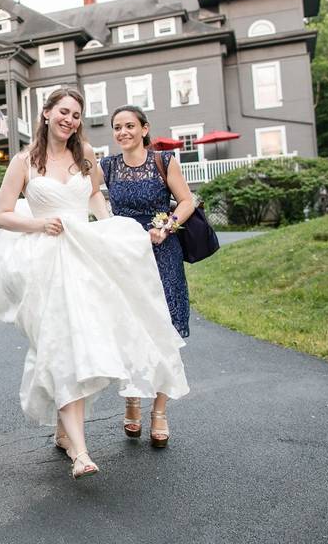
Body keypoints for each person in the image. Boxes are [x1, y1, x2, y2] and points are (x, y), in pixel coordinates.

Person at [0, 88, 188, 479]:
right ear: (46, 113)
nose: (70, 120)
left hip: (84, 258)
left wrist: (109, 228)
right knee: (60, 347)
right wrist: (37, 223)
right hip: (44, 262)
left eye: (76, 114)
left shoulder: (86, 156)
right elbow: (3, 215)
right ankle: (80, 451)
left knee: (89, 345)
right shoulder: (24, 162)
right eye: (64, 111)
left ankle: (66, 433)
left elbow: (95, 196)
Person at [100, 106, 195, 448]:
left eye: (129, 126)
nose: (123, 132)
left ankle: (159, 411)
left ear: (144, 129)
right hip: (125, 258)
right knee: (129, 331)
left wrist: (167, 227)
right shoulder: (107, 166)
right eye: (117, 127)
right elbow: (81, 193)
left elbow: (186, 201)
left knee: (162, 331)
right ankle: (131, 402)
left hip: (162, 253)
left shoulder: (163, 161)